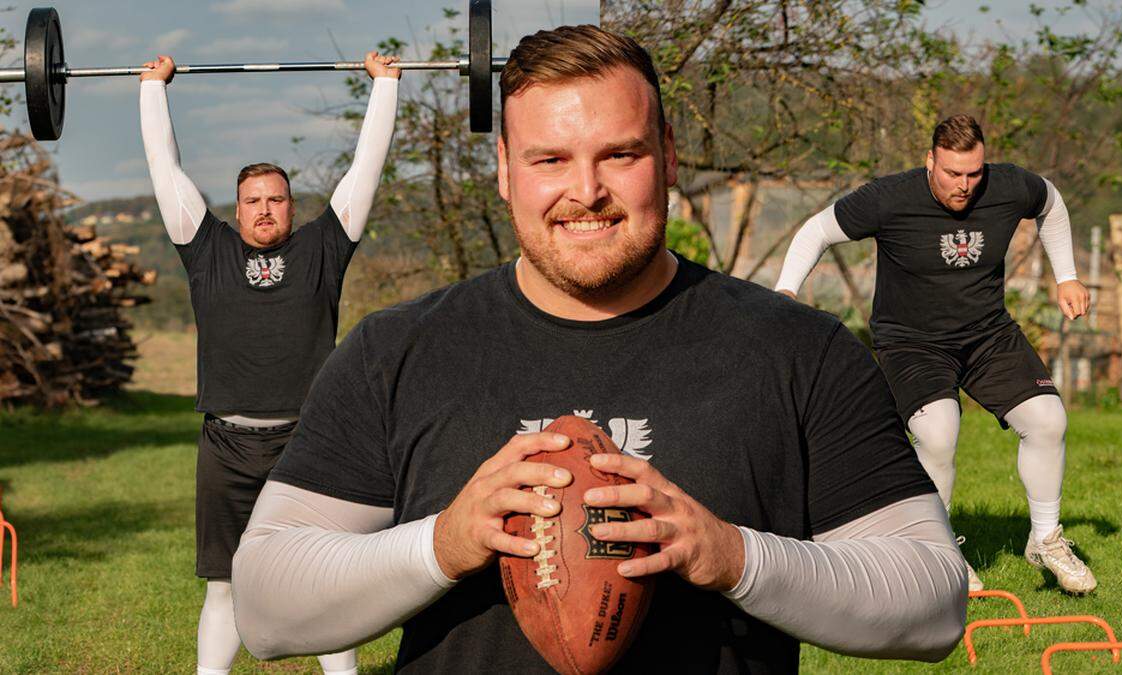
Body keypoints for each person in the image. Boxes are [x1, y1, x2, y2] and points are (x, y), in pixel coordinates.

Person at [230, 25, 967, 672]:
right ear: (504, 172)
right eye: (549, 159)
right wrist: (445, 543)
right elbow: (266, 609)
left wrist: (733, 555)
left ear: (669, 157)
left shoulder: (800, 350)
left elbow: (934, 601)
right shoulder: (394, 350)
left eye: (620, 154)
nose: (585, 190)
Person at [139, 50, 401, 675]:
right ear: (235, 209)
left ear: (291, 205)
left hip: (311, 443)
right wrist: (153, 91)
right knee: (226, 584)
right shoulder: (206, 250)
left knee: (324, 579)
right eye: (252, 200)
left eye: (276, 199)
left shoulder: (324, 247)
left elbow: (365, 169)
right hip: (226, 443)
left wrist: (385, 87)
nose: (264, 209)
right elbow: (163, 169)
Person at [773, 114, 1096, 595]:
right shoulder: (890, 198)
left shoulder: (1007, 185)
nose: (964, 185)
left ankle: (1046, 539)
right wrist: (785, 292)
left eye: (973, 173)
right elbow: (817, 230)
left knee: (1049, 420)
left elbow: (1051, 201)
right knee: (939, 433)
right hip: (911, 342)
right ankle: (938, 552)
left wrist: (1066, 274)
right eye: (952, 174)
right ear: (930, 161)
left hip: (988, 334)